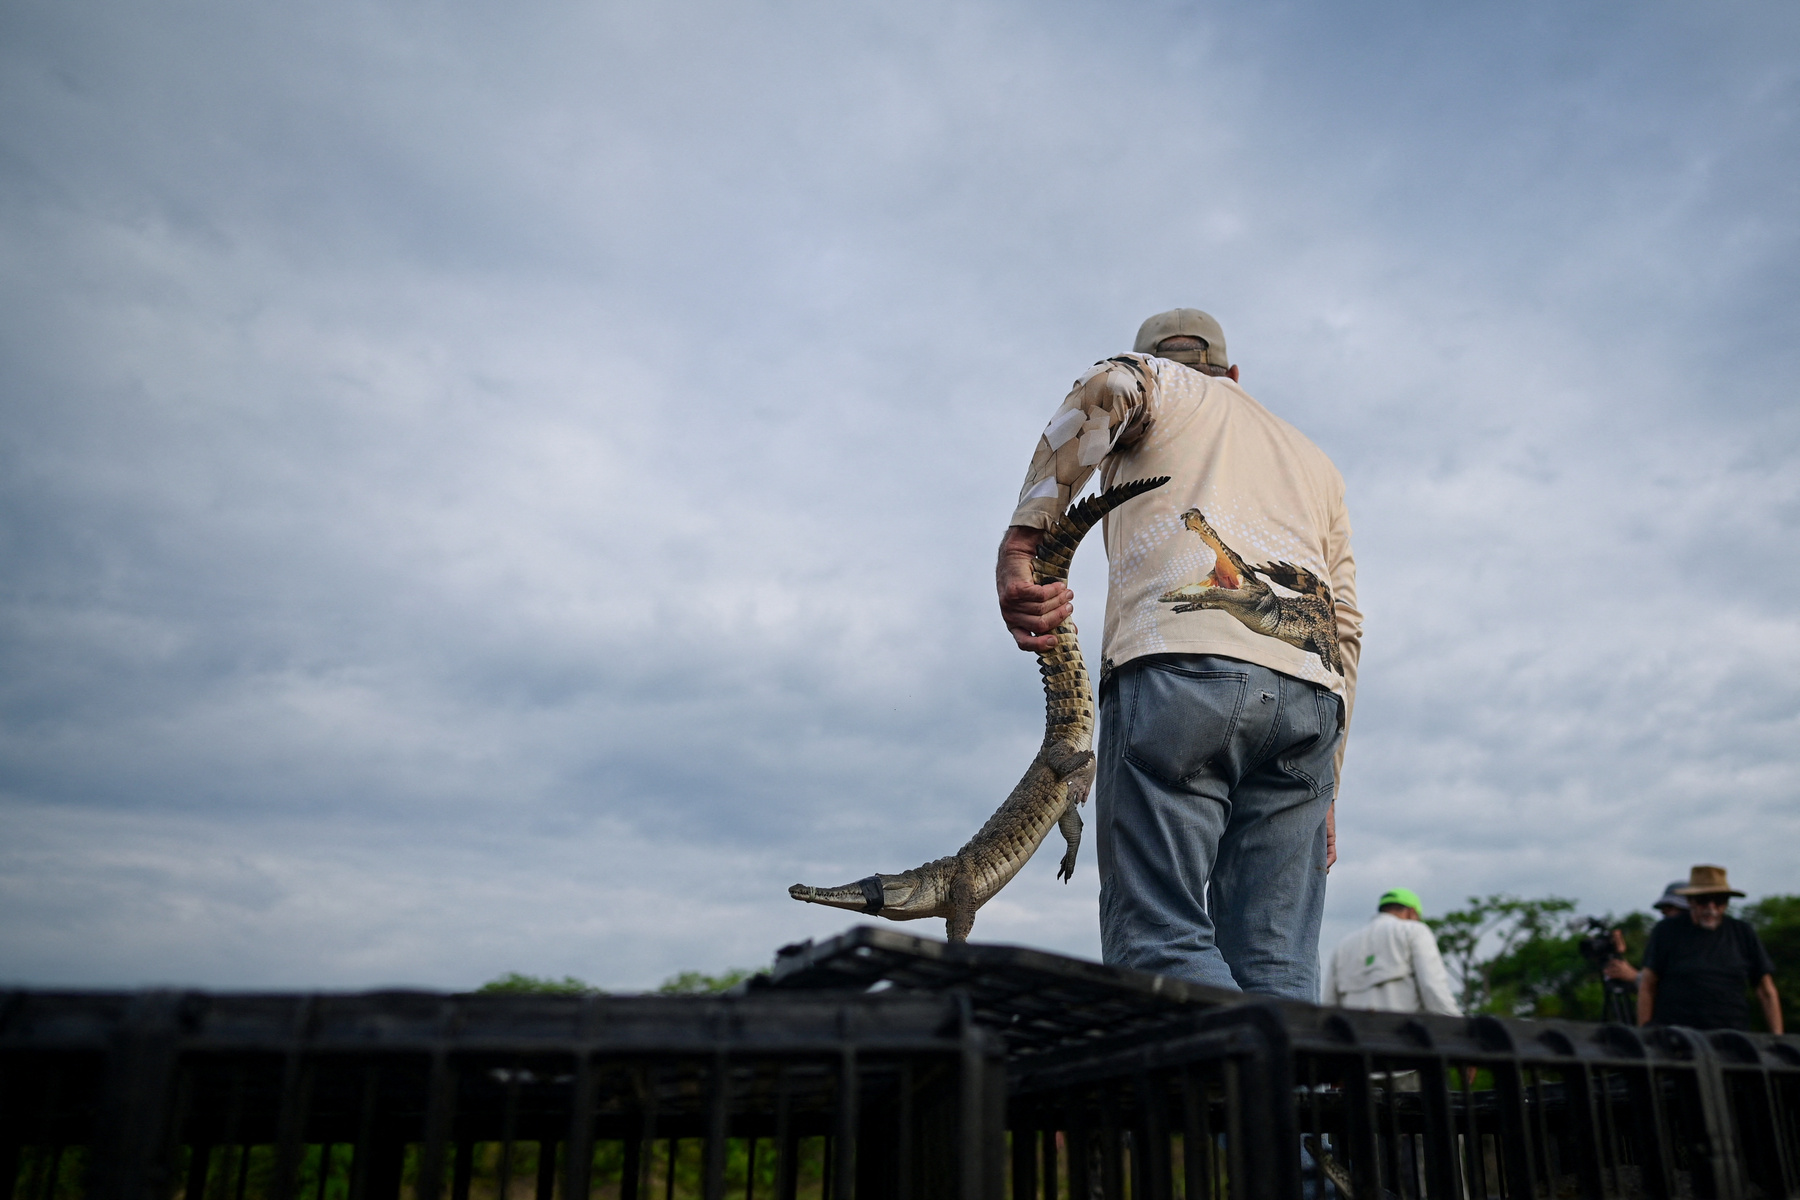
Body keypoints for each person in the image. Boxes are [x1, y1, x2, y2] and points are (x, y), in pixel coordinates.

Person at [996, 309, 1361, 1000]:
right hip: (1310, 700)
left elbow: (1107, 386)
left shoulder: (1158, 385)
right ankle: (1269, 1104)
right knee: (1278, 964)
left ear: (1158, 360)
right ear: (1233, 374)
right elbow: (1347, 625)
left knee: (1158, 937)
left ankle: (1208, 1094)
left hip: (1180, 671)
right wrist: (1330, 782)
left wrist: (1022, 545)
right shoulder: (1316, 462)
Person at [1639, 865, 1783, 1033]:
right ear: (1691, 901)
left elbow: (1766, 990)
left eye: (1719, 901)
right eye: (1703, 900)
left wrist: (1778, 1038)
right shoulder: (1666, 931)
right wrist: (1644, 1034)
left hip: (1732, 1035)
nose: (1711, 907)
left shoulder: (1743, 932)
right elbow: (1648, 985)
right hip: (1676, 1035)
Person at [1321, 888, 1460, 1014]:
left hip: (1354, 1039)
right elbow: (1433, 988)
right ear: (1412, 912)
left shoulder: (1343, 946)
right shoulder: (1414, 931)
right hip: (1401, 1036)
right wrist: (1459, 1029)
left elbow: (1329, 1003)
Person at [1601, 881, 1690, 988]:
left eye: (1671, 908)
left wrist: (1634, 977)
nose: (1665, 915)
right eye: (1664, 910)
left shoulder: (1699, 946)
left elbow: (1681, 989)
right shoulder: (1664, 943)